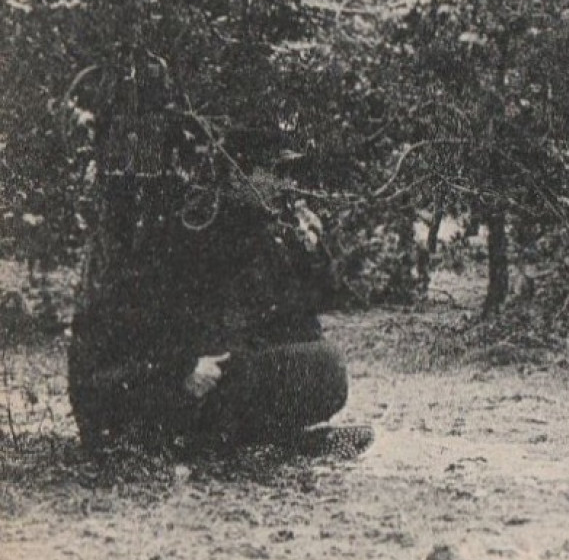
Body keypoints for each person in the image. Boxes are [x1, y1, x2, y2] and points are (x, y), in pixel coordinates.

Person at [68, 165, 371, 459]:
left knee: (316, 356)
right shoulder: (190, 225)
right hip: (153, 387)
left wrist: (311, 254)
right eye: (274, 172)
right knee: (321, 365)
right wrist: (182, 370)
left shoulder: (251, 227)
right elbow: (138, 324)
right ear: (240, 175)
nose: (284, 184)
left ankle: (256, 441)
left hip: (191, 375)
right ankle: (250, 443)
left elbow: (297, 312)